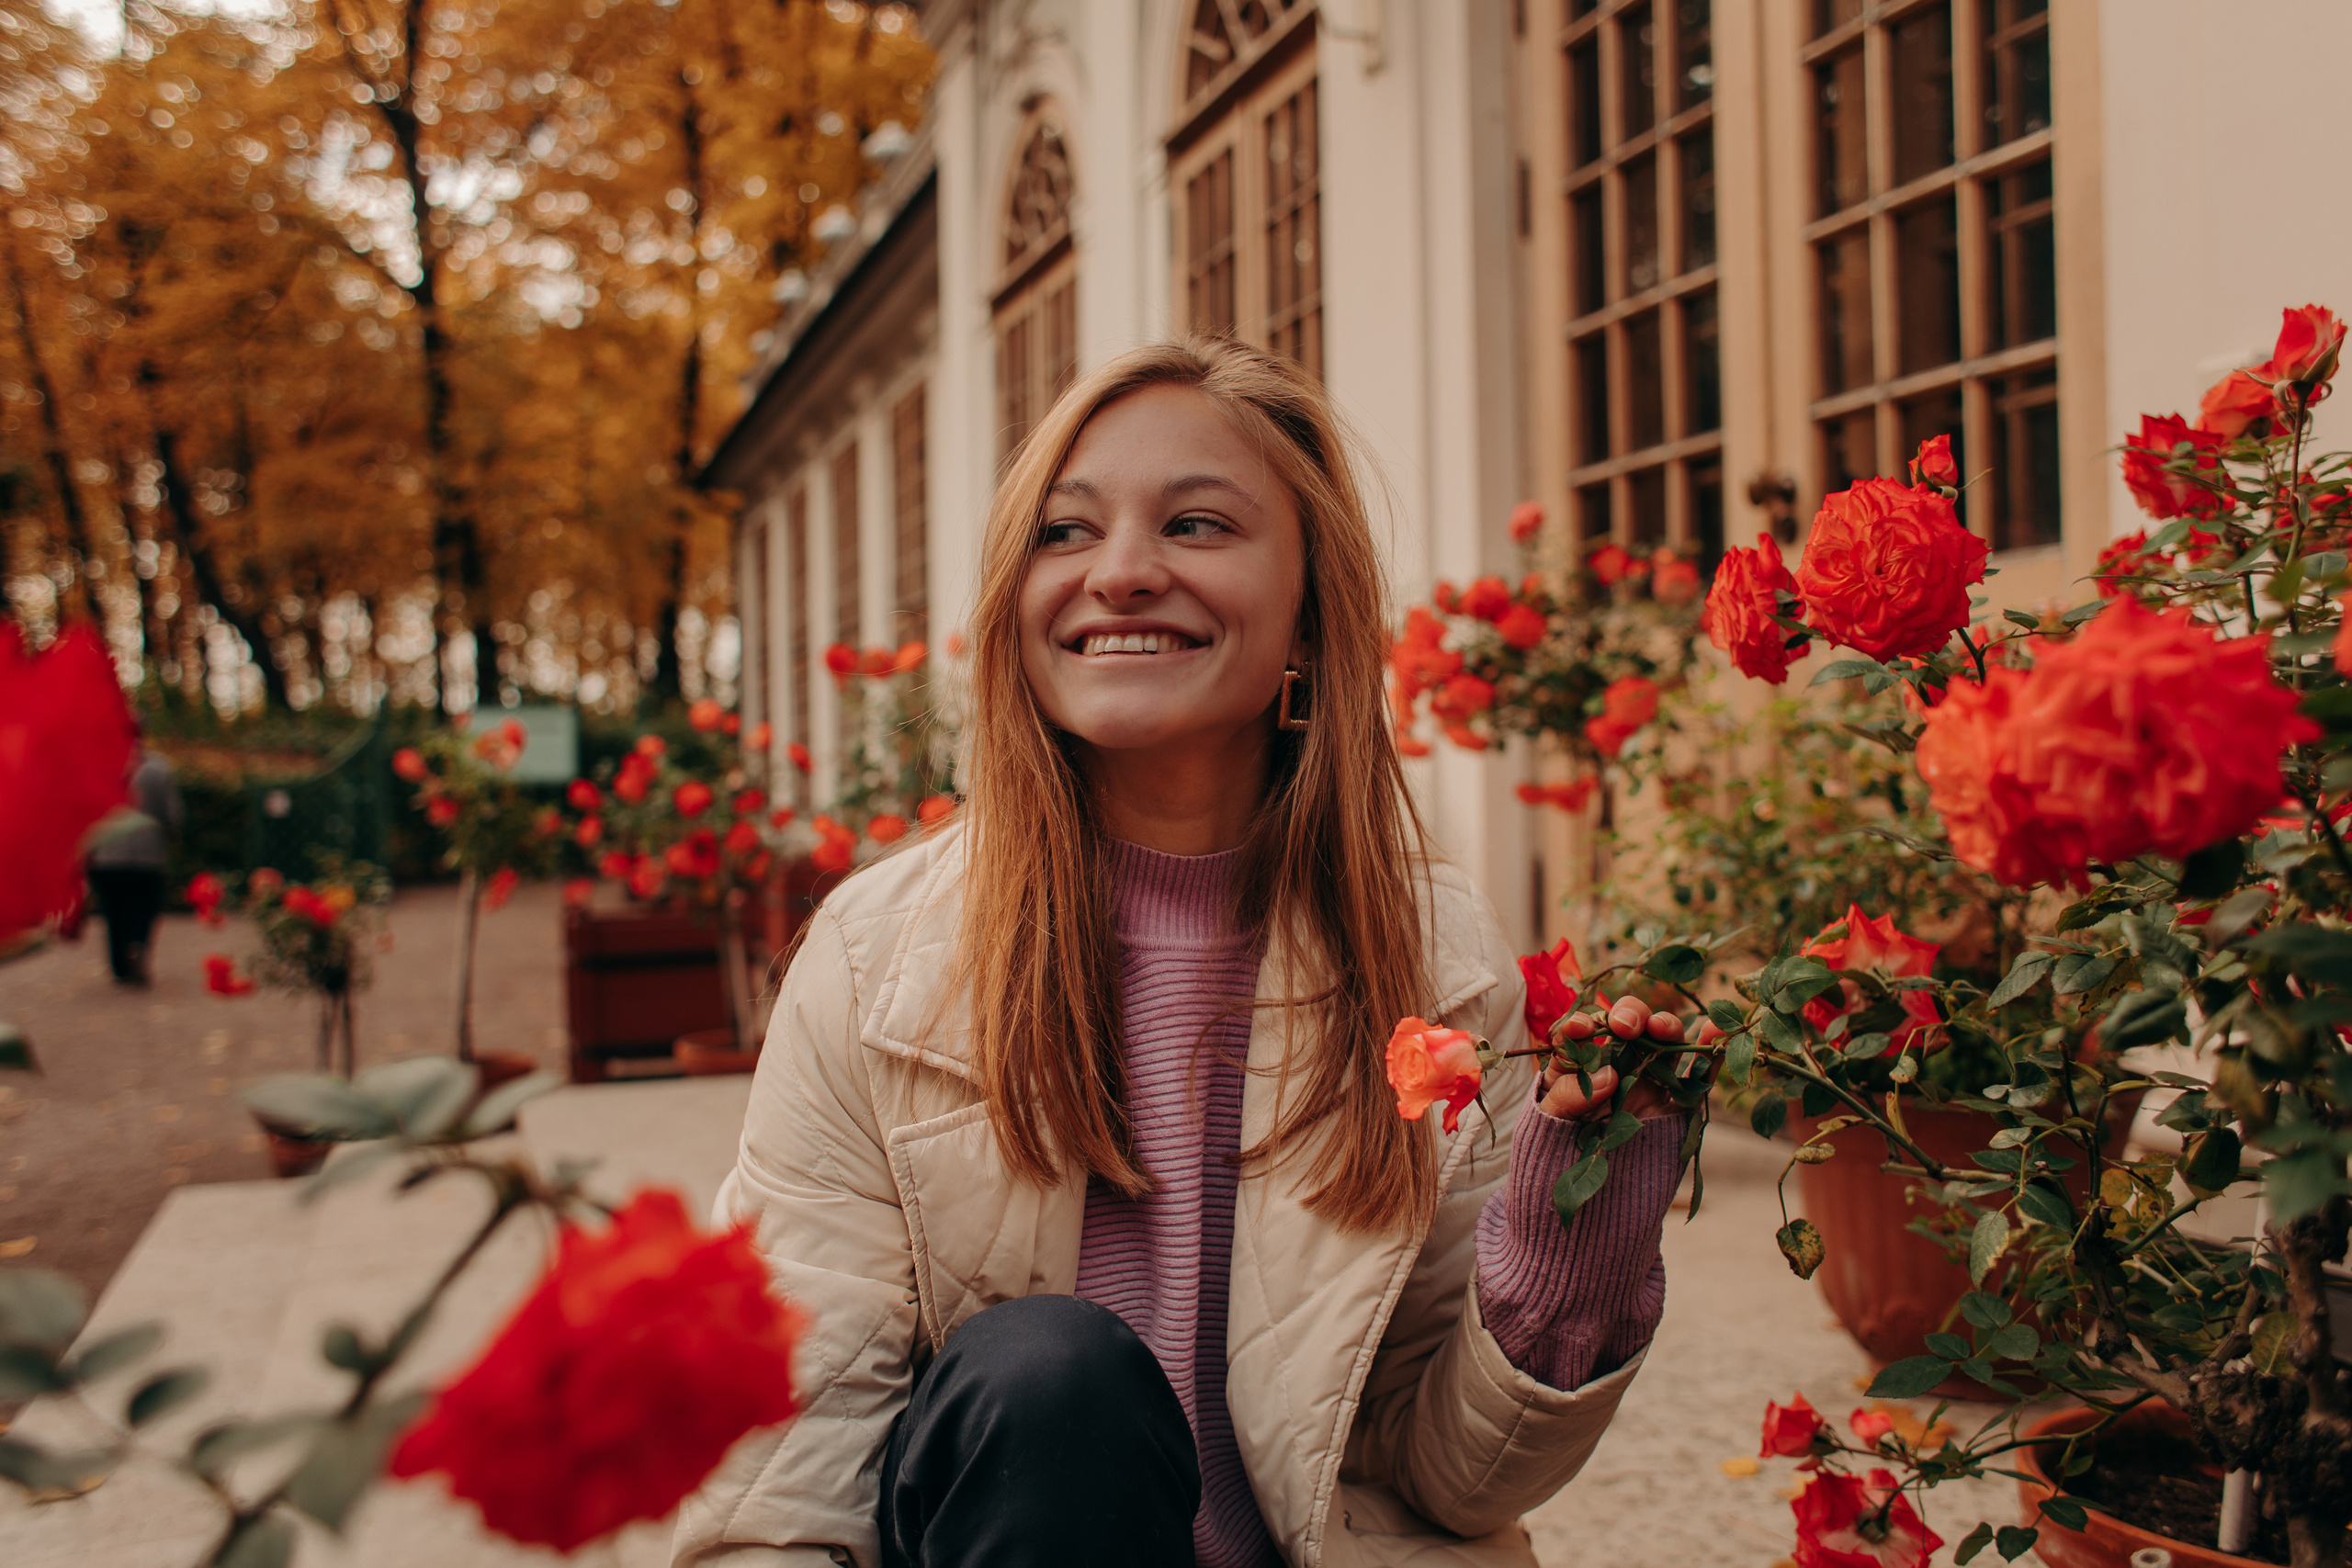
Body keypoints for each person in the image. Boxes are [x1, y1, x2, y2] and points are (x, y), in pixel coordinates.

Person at [673, 339, 1689, 1568]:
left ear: (1311, 614)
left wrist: (1567, 1256)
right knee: (1048, 1375)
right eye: (1065, 531)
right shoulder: (874, 958)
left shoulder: (1434, 955)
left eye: (1198, 524)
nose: (1123, 572)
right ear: (1015, 598)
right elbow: (788, 1457)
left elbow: (1452, 1483)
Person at [86, 731, 183, 987]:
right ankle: (138, 944)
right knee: (144, 907)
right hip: (148, 852)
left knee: (113, 911)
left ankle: (120, 967)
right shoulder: (158, 769)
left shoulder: (98, 766)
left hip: (107, 850)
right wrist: (172, 836)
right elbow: (172, 813)